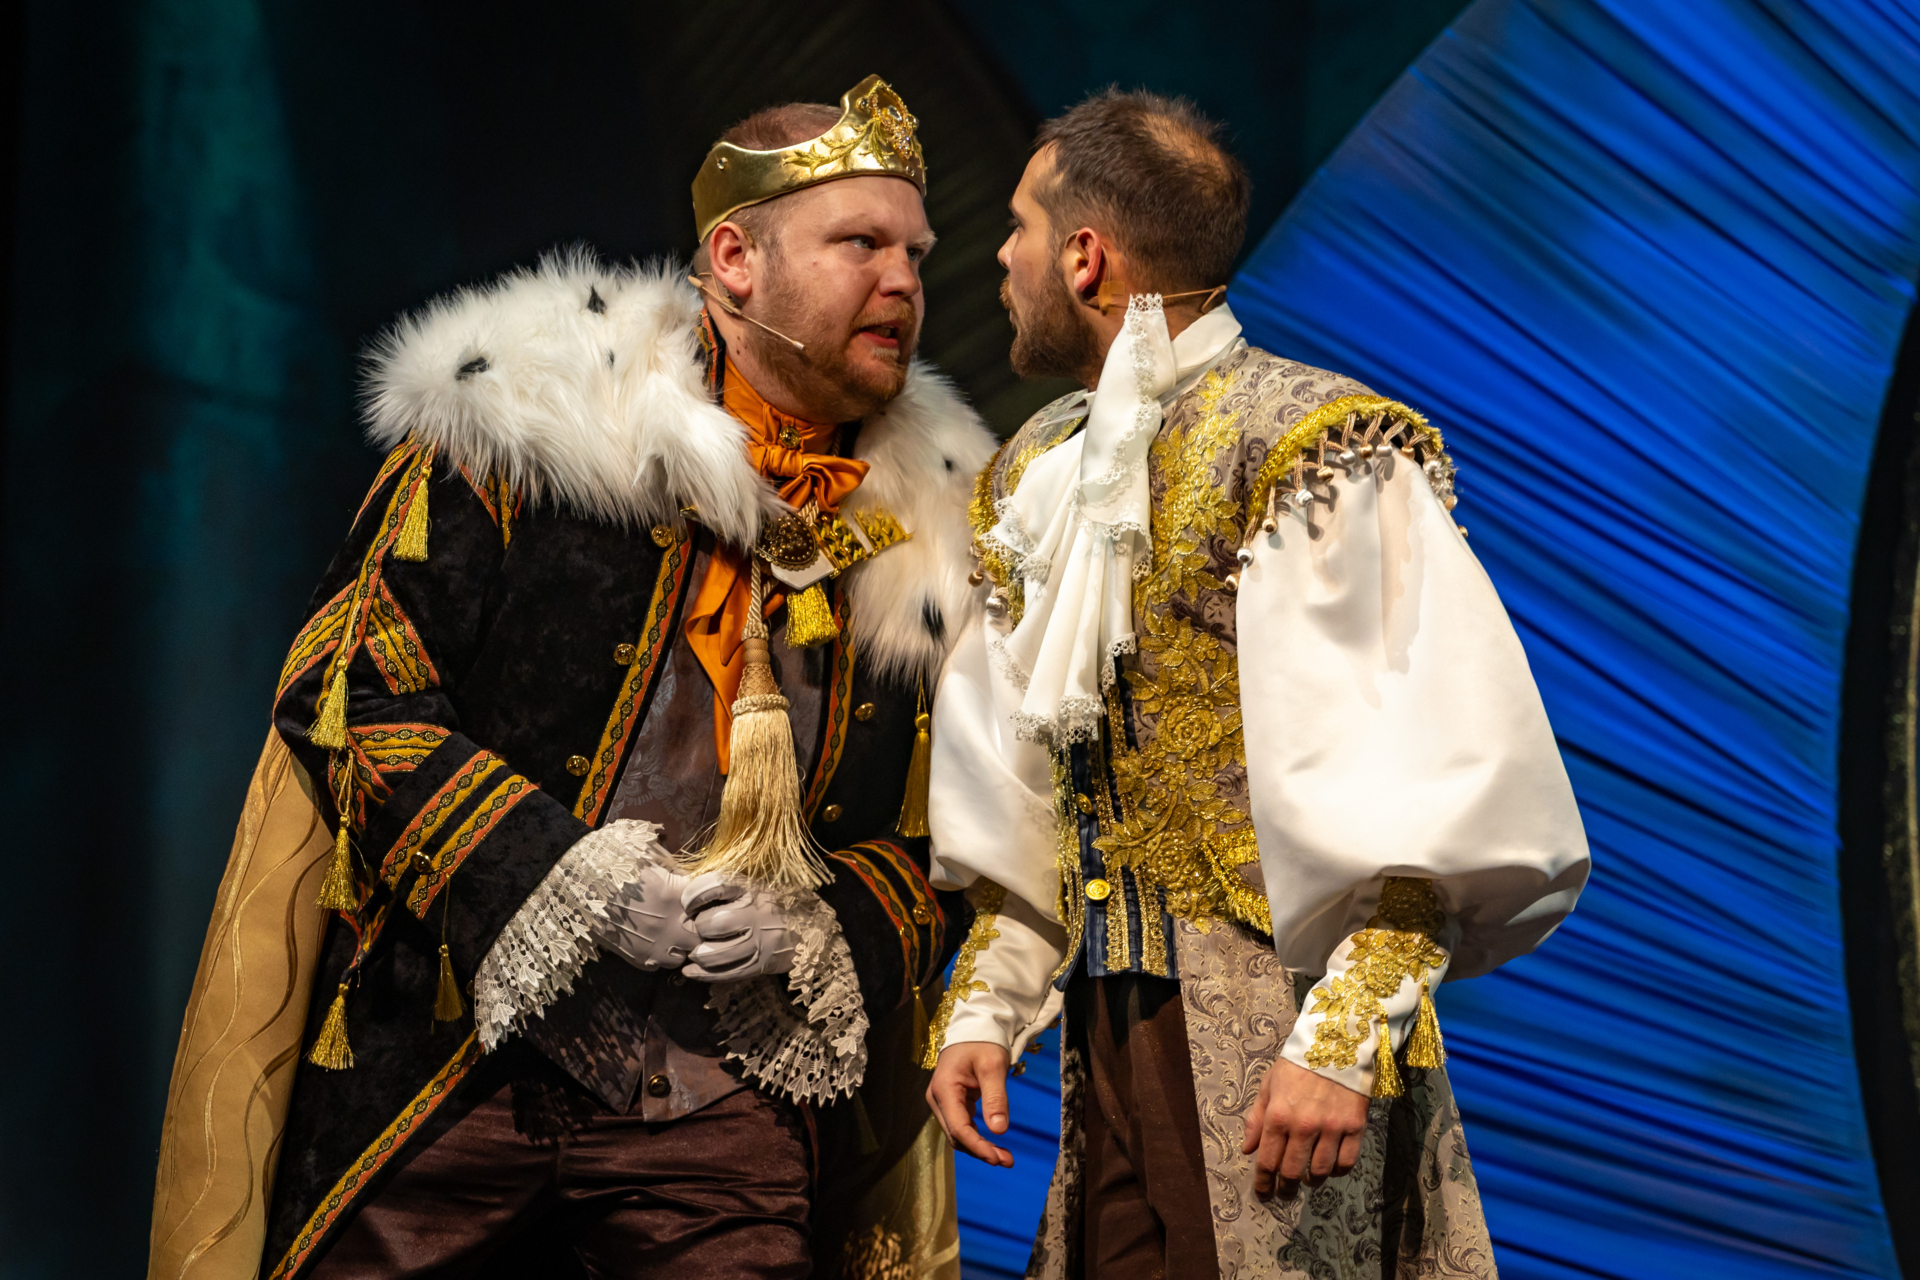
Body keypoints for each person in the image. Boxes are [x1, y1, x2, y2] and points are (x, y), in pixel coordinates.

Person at [150, 76, 995, 1280]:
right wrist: (558, 876)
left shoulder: (943, 539)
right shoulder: (525, 437)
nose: (903, 280)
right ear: (735, 259)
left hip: (722, 1109)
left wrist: (818, 922)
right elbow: (348, 695)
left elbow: (954, 841)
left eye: (915, 251)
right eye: (860, 243)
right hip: (451, 1073)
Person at [922, 89, 1590, 1278]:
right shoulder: (1039, 472)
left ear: (1085, 257)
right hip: (1109, 1040)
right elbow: (1023, 778)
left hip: (1280, 1028)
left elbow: (1427, 769)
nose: (1002, 256)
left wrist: (1341, 1041)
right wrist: (991, 1001)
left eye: (1021, 226)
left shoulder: (1307, 444)